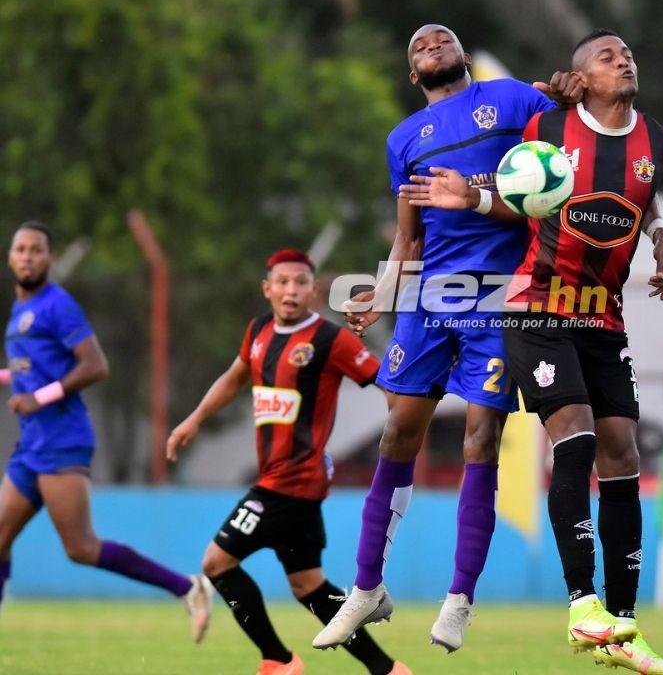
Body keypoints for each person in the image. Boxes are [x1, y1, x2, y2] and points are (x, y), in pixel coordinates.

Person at [395, 28, 663, 675]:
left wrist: (661, 235)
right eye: (607, 56)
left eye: (627, 53)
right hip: (538, 309)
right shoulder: (549, 129)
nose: (623, 59)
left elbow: (645, 191)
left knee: (624, 452)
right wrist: (473, 198)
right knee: (575, 437)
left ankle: (624, 625)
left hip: (602, 316)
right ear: (583, 76)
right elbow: (523, 200)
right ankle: (582, 606)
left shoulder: (657, 139)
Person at [312, 24, 581, 653]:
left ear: (462, 53)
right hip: (429, 298)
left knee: (480, 437)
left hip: (499, 296)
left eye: (443, 38)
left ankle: (459, 598)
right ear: (413, 74)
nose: (432, 43)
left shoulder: (514, 100)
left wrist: (565, 98)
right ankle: (366, 589)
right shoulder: (403, 139)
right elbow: (409, 237)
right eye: (419, 46)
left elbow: (556, 183)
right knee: (396, 430)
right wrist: (380, 293)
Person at [167, 249, 411, 675]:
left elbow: (386, 383)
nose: (290, 290)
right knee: (308, 586)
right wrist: (194, 420)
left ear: (314, 291)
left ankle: (278, 661)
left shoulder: (330, 340)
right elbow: (234, 377)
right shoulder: (258, 331)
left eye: (300, 282)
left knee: (215, 563)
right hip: (286, 481)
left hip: (291, 483)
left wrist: (403, 435)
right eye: (282, 282)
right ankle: (388, 670)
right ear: (268, 289)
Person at [0, 221, 212, 639]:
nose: (27, 256)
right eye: (20, 249)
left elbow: (96, 365)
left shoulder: (56, 304)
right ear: (10, 256)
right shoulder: (20, 309)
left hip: (62, 440)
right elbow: (32, 369)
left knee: (80, 548)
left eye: (36, 249)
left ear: (51, 258)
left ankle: (188, 587)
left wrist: (39, 398)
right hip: (32, 443)